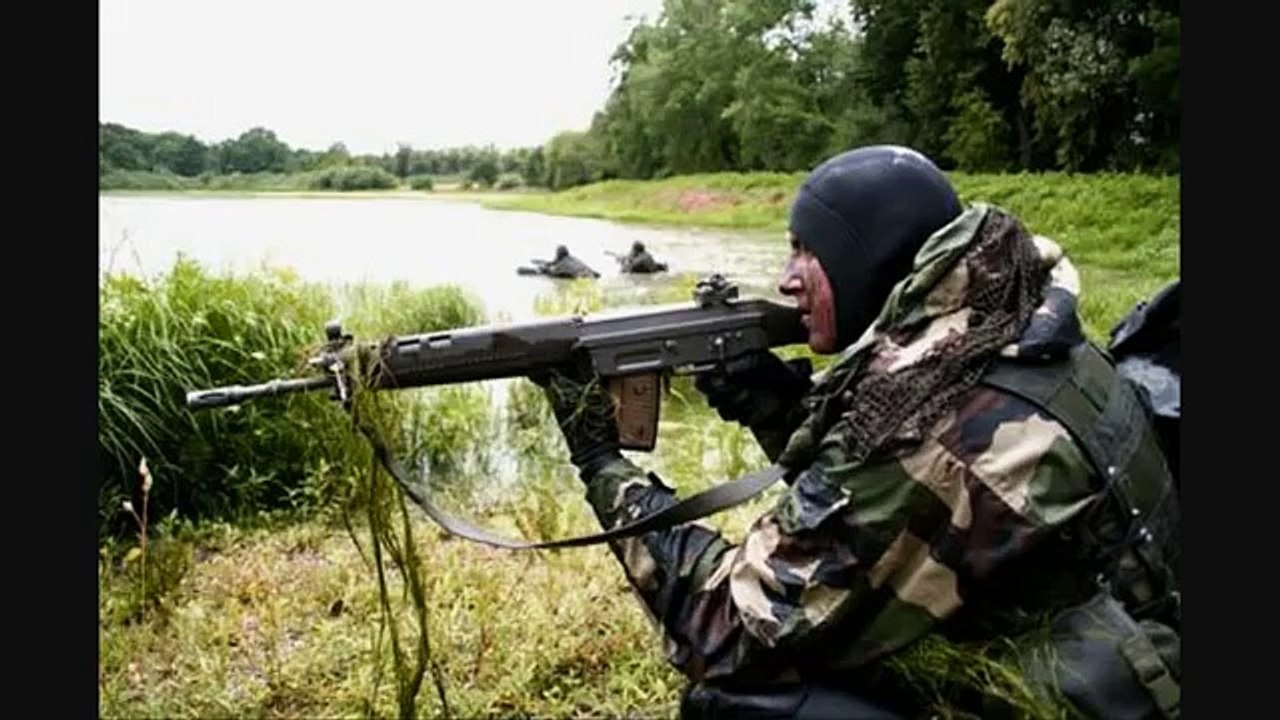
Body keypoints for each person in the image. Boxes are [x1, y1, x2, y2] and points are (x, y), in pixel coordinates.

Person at [528, 145, 1180, 719]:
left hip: (1089, 698)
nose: (786, 279)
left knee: (737, 703)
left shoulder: (946, 430)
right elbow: (889, 514)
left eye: (806, 250)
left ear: (866, 260)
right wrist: (780, 408)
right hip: (1130, 667)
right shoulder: (1013, 324)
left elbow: (730, 629)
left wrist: (601, 462)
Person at [527, 244, 601, 279]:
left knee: (549, 275)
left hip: (581, 276)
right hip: (590, 273)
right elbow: (554, 262)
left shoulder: (562, 263)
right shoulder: (573, 258)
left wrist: (543, 270)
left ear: (559, 254)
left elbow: (553, 272)